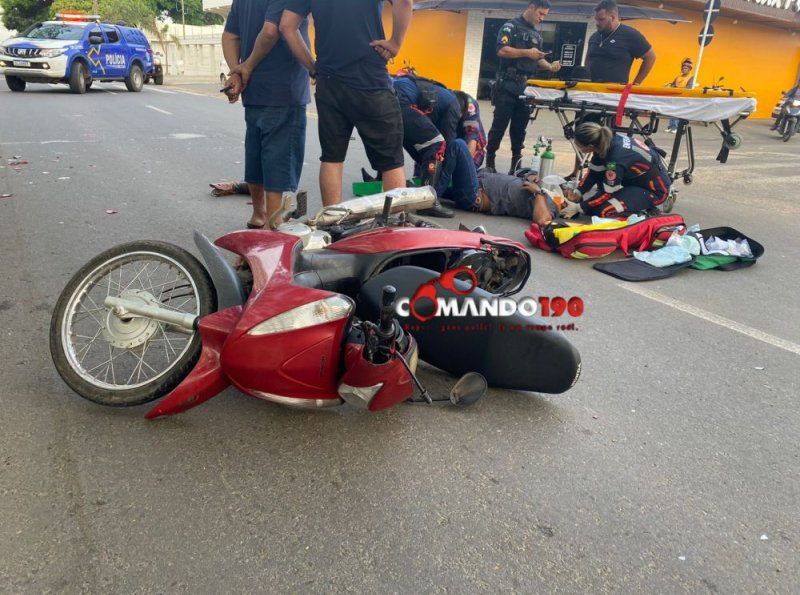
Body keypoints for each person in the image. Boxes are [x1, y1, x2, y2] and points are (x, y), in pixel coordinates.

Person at [279, 0, 418, 210]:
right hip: (370, 80)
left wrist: (312, 66)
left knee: (332, 158)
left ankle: (332, 224)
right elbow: (405, 2)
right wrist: (395, 43)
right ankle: (393, 231)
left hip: (329, 81)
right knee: (391, 162)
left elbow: (286, 26)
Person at [222, 0, 310, 229]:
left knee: (257, 154)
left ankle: (258, 216)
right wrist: (247, 67)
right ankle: (274, 227)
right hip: (284, 87)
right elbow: (271, 31)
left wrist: (237, 73)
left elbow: (230, 35)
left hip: (254, 91)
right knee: (277, 161)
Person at [485, 0, 561, 175]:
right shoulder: (510, 26)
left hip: (525, 87)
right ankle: (490, 161)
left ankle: (516, 164)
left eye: (545, 15)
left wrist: (550, 66)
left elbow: (537, 59)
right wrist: (527, 52)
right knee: (499, 125)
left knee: (520, 128)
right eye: (540, 13)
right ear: (531, 7)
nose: (542, 18)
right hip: (507, 84)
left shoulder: (536, 35)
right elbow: (501, 50)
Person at [562, 122, 671, 219]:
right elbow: (593, 173)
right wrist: (578, 192)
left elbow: (608, 192)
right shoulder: (604, 141)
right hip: (636, 183)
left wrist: (580, 207)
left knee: (604, 211)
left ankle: (644, 216)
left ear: (590, 146)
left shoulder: (615, 160)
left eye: (578, 145)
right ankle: (635, 204)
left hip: (654, 190)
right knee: (592, 208)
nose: (578, 148)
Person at [586, 0, 656, 86]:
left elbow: (651, 57)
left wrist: (636, 84)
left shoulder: (630, 35)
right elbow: (588, 60)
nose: (597, 23)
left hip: (615, 93)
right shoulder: (594, 37)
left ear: (613, 17)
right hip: (591, 90)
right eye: (596, 19)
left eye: (601, 19)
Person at [454, 90, 487, 169]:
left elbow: (472, 137)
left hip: (473, 146)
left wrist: (464, 166)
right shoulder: (444, 104)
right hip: (454, 140)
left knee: (464, 171)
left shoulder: (469, 105)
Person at [665, 58, 695, 133]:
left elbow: (689, 87)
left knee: (678, 112)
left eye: (686, 68)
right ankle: (671, 127)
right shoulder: (678, 77)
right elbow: (673, 85)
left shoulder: (691, 77)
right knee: (672, 111)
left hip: (683, 97)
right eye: (683, 68)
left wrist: (680, 89)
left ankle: (676, 127)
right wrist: (670, 86)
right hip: (675, 96)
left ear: (689, 69)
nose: (684, 69)